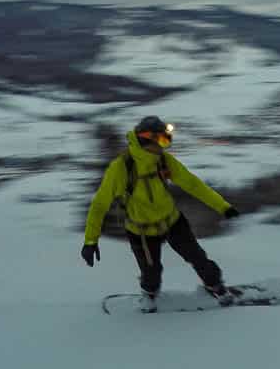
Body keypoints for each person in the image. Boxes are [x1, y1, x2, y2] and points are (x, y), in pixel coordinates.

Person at [81, 116, 241, 306]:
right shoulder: (121, 168)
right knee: (151, 273)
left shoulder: (163, 161)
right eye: (163, 140)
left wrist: (223, 207)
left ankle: (216, 287)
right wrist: (90, 241)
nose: (165, 146)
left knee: (198, 258)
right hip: (141, 231)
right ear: (148, 140)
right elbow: (100, 205)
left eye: (167, 140)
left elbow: (192, 184)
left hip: (172, 221)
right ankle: (149, 295)